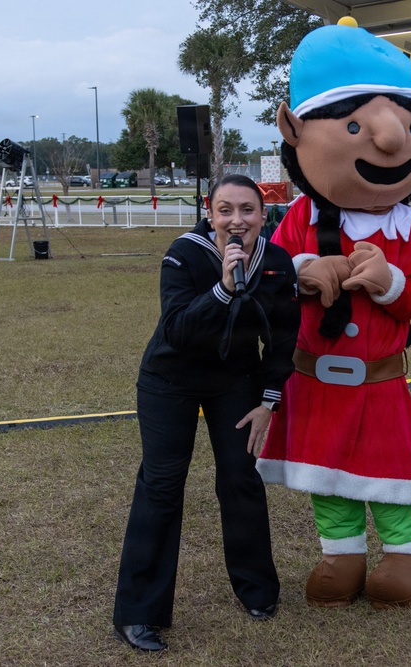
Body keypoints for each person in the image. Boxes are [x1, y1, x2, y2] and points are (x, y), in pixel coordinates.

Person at [256, 17, 411, 611]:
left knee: (388, 469)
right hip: (314, 377)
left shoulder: (408, 225)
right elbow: (271, 281)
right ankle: (339, 554)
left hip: (379, 379)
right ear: (297, 134)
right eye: (351, 125)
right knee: (327, 472)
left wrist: (389, 281)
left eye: (410, 125)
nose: (391, 142)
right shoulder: (298, 218)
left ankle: (402, 555)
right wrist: (299, 275)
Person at [112, 174, 300, 652]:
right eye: (225, 210)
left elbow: (282, 341)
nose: (237, 221)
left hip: (234, 380)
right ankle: (139, 612)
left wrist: (268, 402)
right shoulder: (184, 253)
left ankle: (257, 590)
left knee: (240, 477)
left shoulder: (276, 263)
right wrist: (221, 287)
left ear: (264, 214)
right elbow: (177, 330)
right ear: (209, 213)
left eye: (248, 210)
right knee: (162, 484)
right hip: (169, 380)